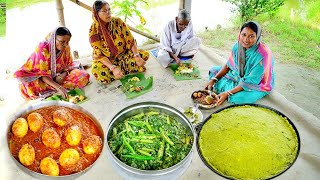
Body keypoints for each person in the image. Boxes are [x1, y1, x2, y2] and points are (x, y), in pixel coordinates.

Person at [204, 21, 275, 105]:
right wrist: (214, 79)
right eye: (244, 35)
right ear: (240, 34)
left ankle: (227, 91)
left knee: (239, 97)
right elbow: (228, 65)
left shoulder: (263, 55)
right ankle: (229, 88)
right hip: (237, 75)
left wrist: (228, 93)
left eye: (251, 36)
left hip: (256, 83)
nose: (246, 40)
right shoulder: (237, 46)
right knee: (213, 71)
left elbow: (251, 81)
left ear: (258, 37)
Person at [14, 27, 90, 100]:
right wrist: (58, 87)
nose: (65, 44)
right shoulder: (43, 48)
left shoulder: (66, 47)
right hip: (40, 78)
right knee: (32, 87)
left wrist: (63, 75)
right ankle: (56, 87)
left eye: (67, 41)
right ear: (53, 39)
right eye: (62, 41)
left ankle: (55, 87)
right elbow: (41, 74)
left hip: (58, 76)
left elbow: (68, 64)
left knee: (83, 75)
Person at [90, 0, 149, 84]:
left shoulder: (118, 22)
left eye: (109, 9)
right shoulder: (93, 31)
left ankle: (120, 71)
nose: (108, 13)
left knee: (144, 55)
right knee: (97, 70)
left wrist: (137, 56)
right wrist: (112, 67)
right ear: (97, 13)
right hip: (109, 61)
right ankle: (120, 70)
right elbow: (98, 54)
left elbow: (130, 40)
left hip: (124, 56)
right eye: (104, 11)